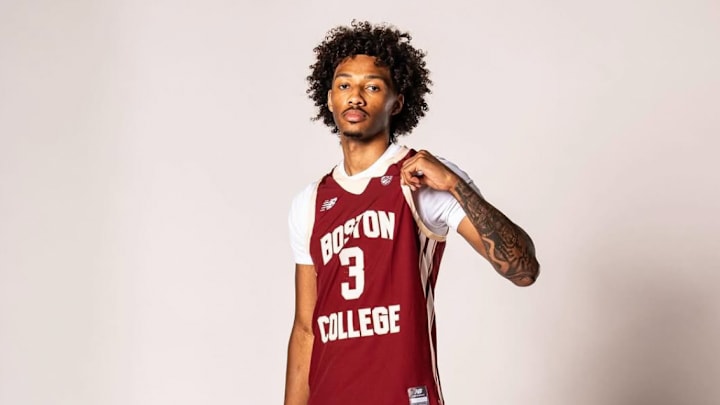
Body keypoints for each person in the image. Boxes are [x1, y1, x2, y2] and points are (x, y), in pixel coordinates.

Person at [284, 21, 540, 405]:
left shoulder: (421, 177)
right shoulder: (310, 202)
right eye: (344, 85)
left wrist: (455, 185)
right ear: (330, 98)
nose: (356, 97)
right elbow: (306, 330)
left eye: (372, 87)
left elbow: (523, 270)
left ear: (397, 102)